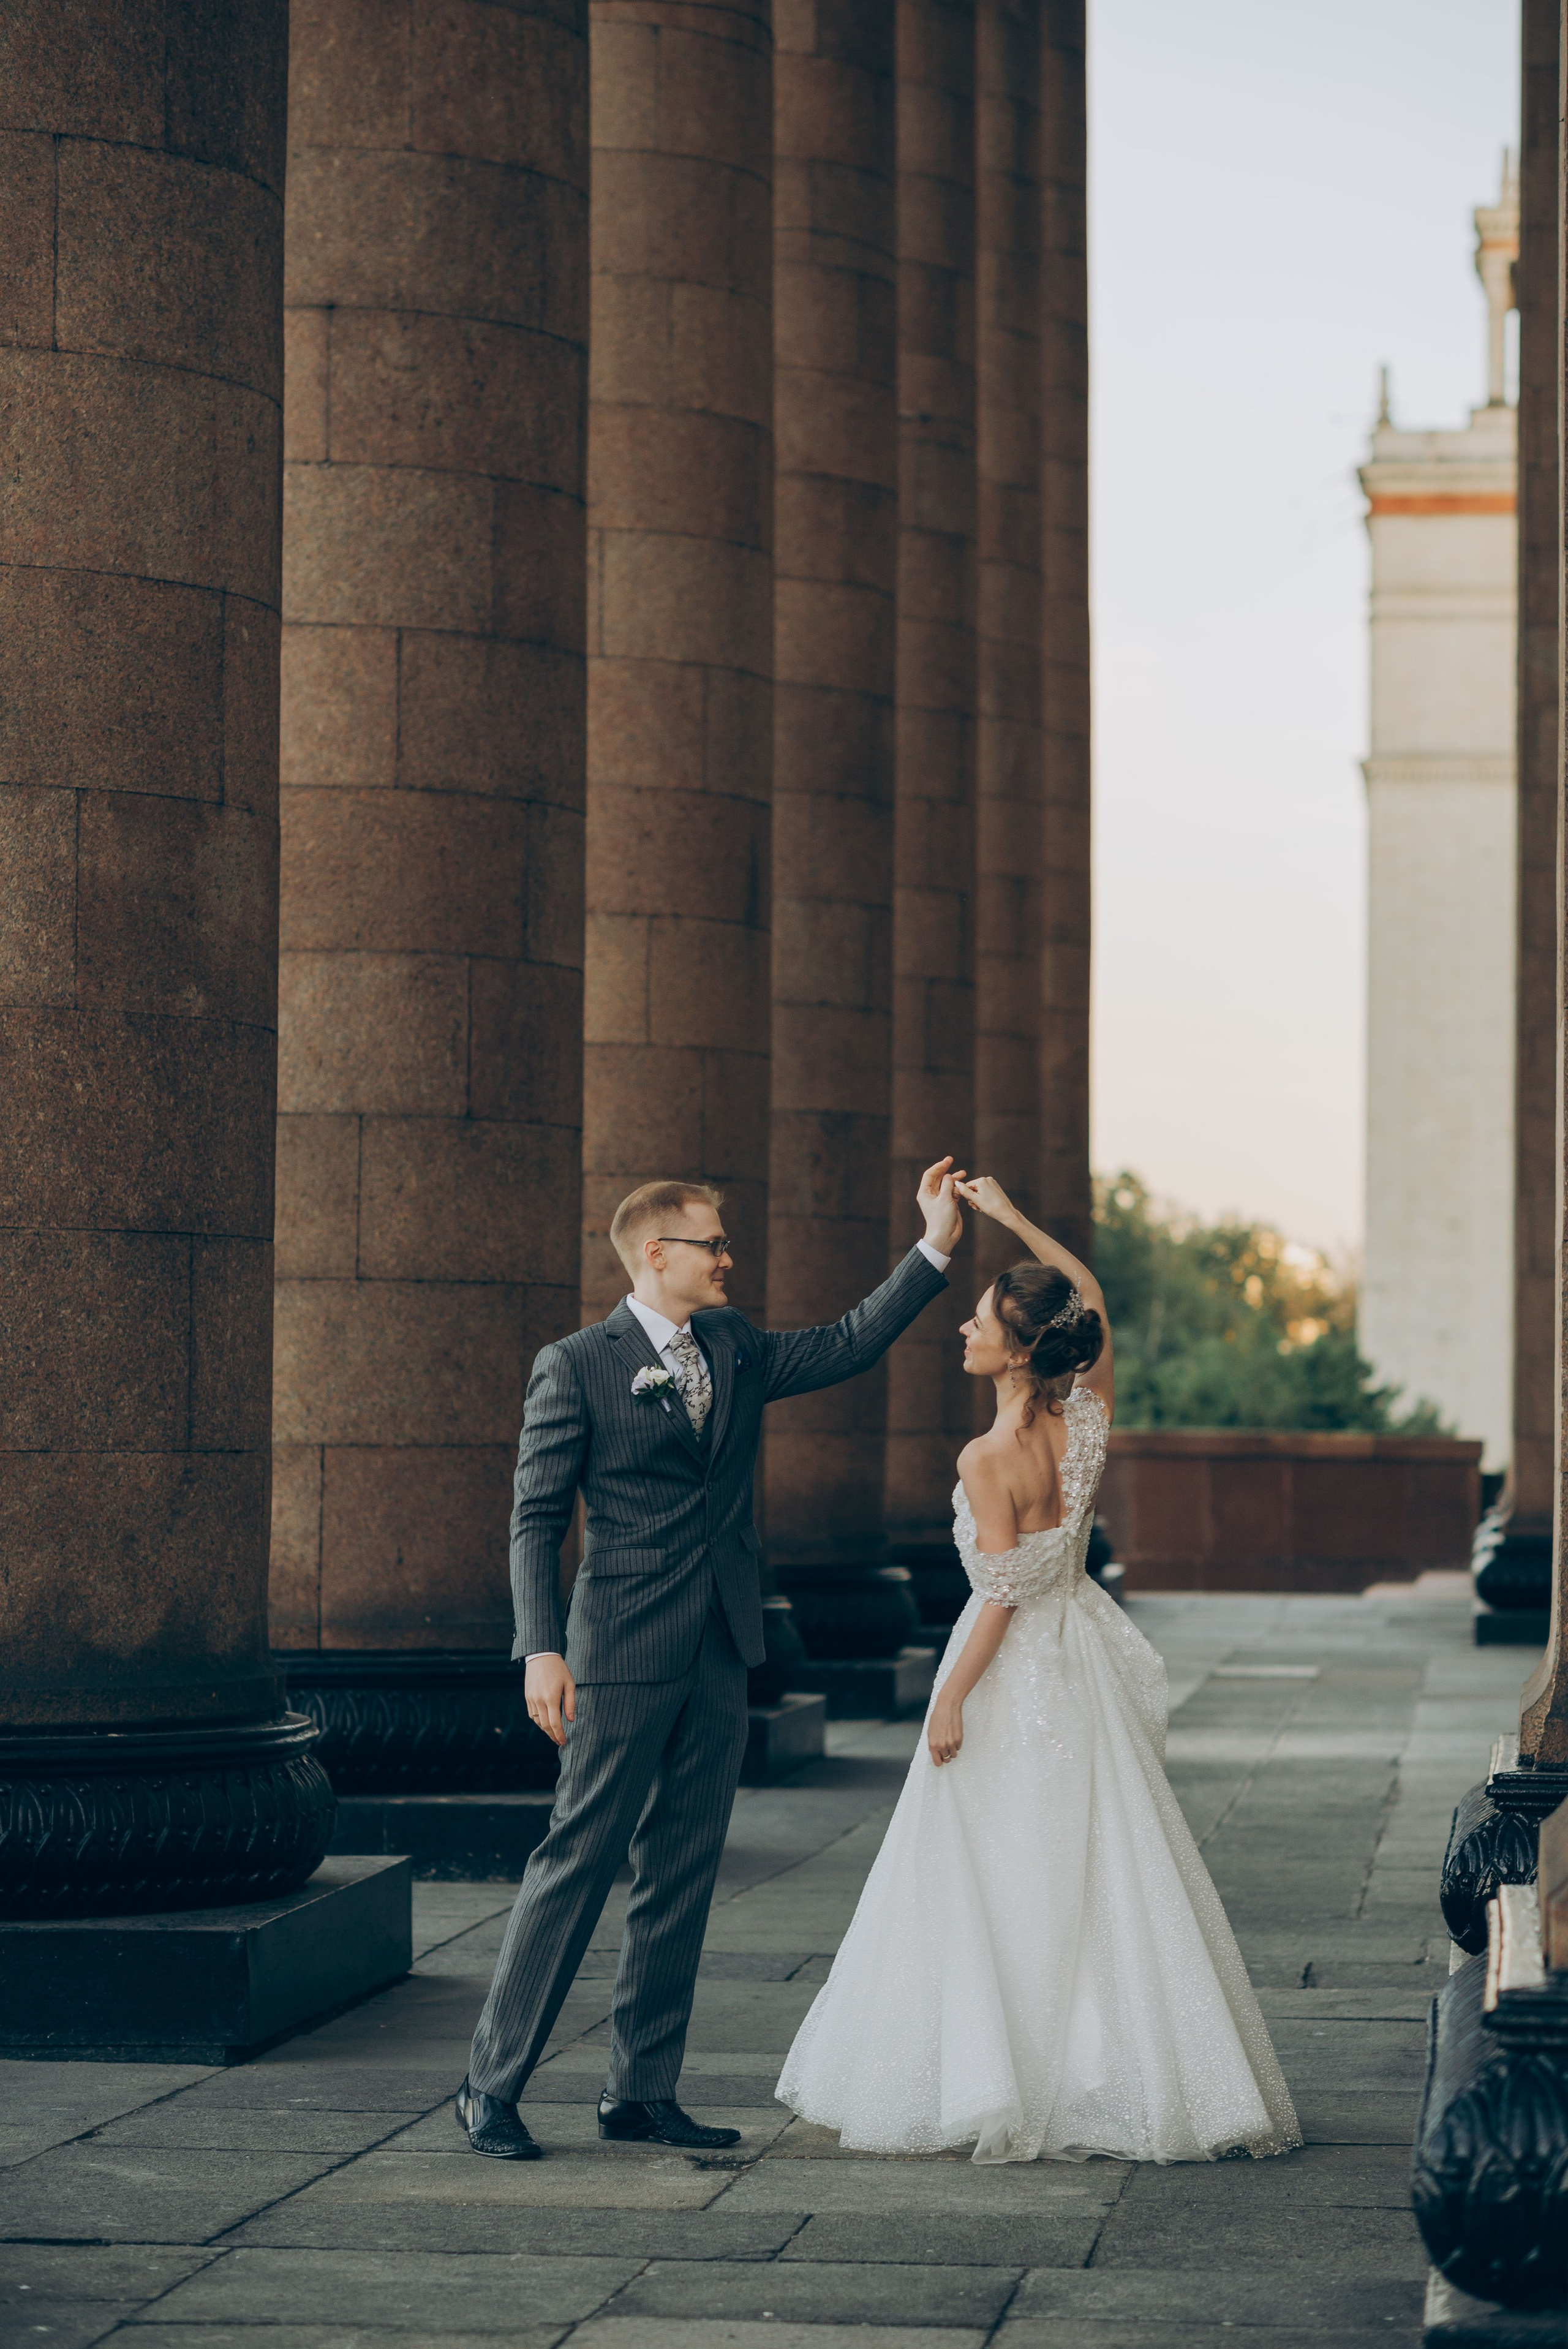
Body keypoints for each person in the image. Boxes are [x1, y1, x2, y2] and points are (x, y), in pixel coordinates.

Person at [776, 1175, 1302, 2165]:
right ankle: (1111, 2066)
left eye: (978, 1321)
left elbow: (1003, 1595)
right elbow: (1088, 1295)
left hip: (1014, 1662)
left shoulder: (988, 1457)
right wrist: (1012, 1218)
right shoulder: (1087, 1419)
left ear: (1019, 1351)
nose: (962, 1330)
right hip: (1082, 1651)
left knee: (995, 1860)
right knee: (1096, 1856)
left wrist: (951, 1697)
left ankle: (1008, 2073)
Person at [456, 1160, 963, 2158]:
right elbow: (536, 1520)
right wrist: (540, 1648)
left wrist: (935, 1244)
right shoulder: (577, 1364)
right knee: (578, 1860)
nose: (729, 1259)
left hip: (722, 1646)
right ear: (656, 1253)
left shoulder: (734, 1344)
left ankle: (640, 2092)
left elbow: (848, 1342)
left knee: (683, 1871)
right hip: (619, 1647)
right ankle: (491, 2085)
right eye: (713, 1244)